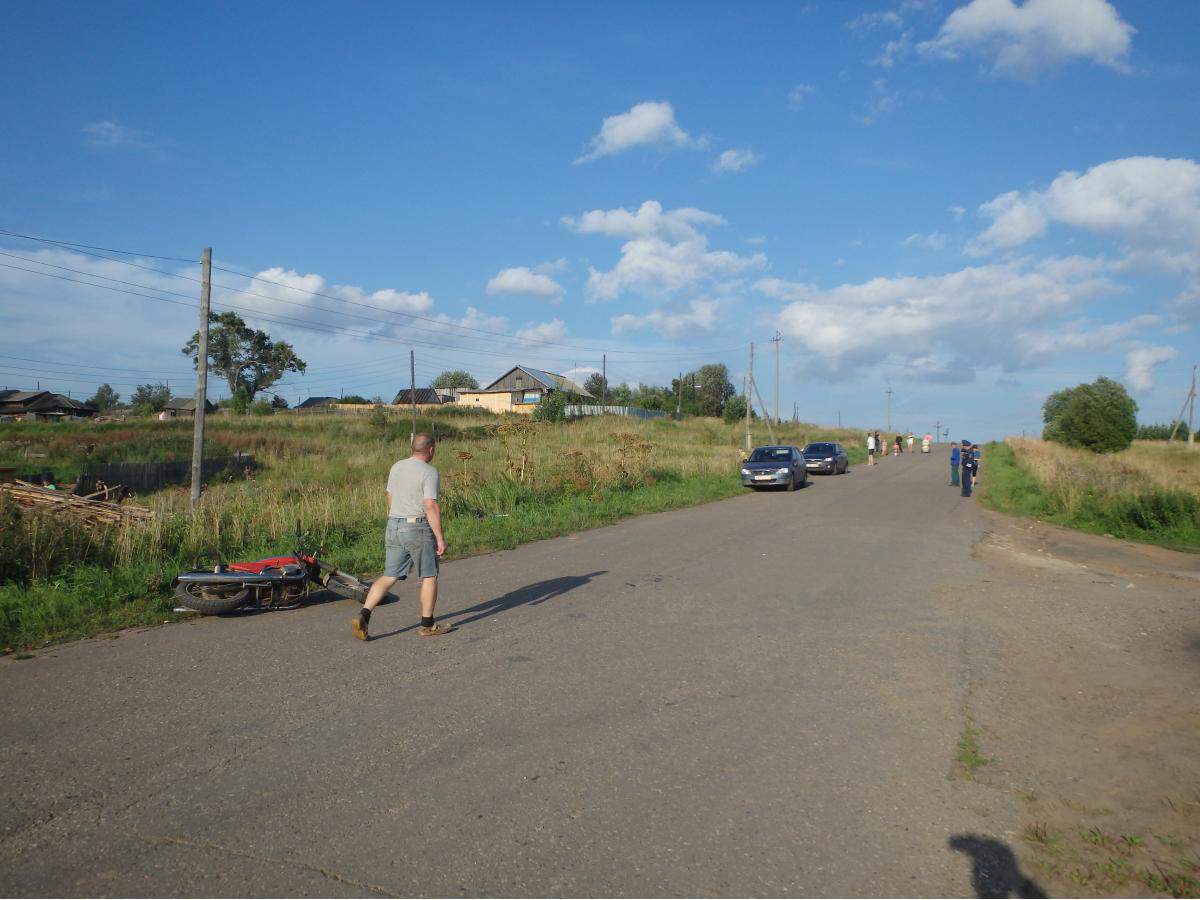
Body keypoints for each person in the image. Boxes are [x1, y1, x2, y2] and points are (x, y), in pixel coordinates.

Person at [352, 432, 452, 641]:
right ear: (431, 450)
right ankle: (427, 624)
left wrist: (394, 517)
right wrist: (440, 538)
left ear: (412, 447)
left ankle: (364, 614)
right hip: (417, 527)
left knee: (389, 575)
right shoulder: (429, 471)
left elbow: (390, 495)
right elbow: (430, 505)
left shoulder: (397, 466)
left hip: (394, 524)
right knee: (429, 575)